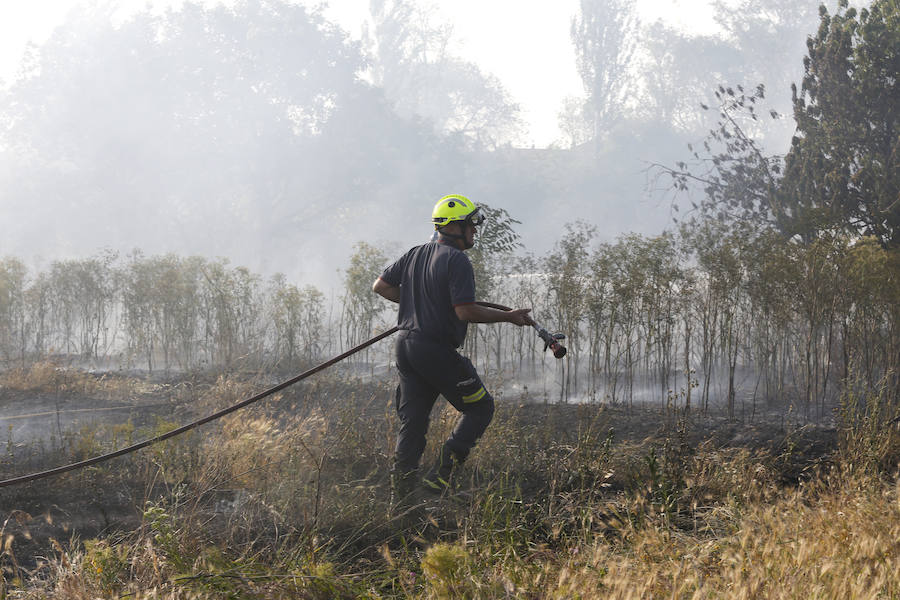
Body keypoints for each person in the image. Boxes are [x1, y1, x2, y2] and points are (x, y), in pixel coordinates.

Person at [372, 194, 534, 504]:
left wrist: (417, 303)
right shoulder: (456, 260)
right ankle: (438, 479)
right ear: (453, 227)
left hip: (405, 347)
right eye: (470, 225)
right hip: (434, 351)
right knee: (480, 408)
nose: (474, 231)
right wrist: (509, 317)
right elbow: (466, 311)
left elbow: (381, 285)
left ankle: (402, 501)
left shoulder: (415, 253)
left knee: (414, 422)